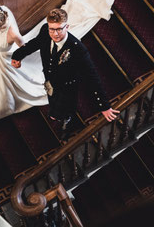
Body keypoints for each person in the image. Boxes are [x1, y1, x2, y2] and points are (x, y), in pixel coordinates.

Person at [11, 8, 120, 137]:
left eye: (59, 29)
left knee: (67, 107)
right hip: (49, 78)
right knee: (53, 100)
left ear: (67, 26)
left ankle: (68, 120)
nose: (55, 34)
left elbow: (92, 77)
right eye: (52, 29)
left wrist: (104, 106)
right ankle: (57, 114)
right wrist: (17, 55)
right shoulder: (45, 31)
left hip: (68, 86)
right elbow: (34, 44)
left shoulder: (78, 49)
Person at [0, 4, 48, 132]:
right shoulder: (0, 11)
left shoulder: (13, 34)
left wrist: (19, 61)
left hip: (6, 61)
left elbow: (24, 49)